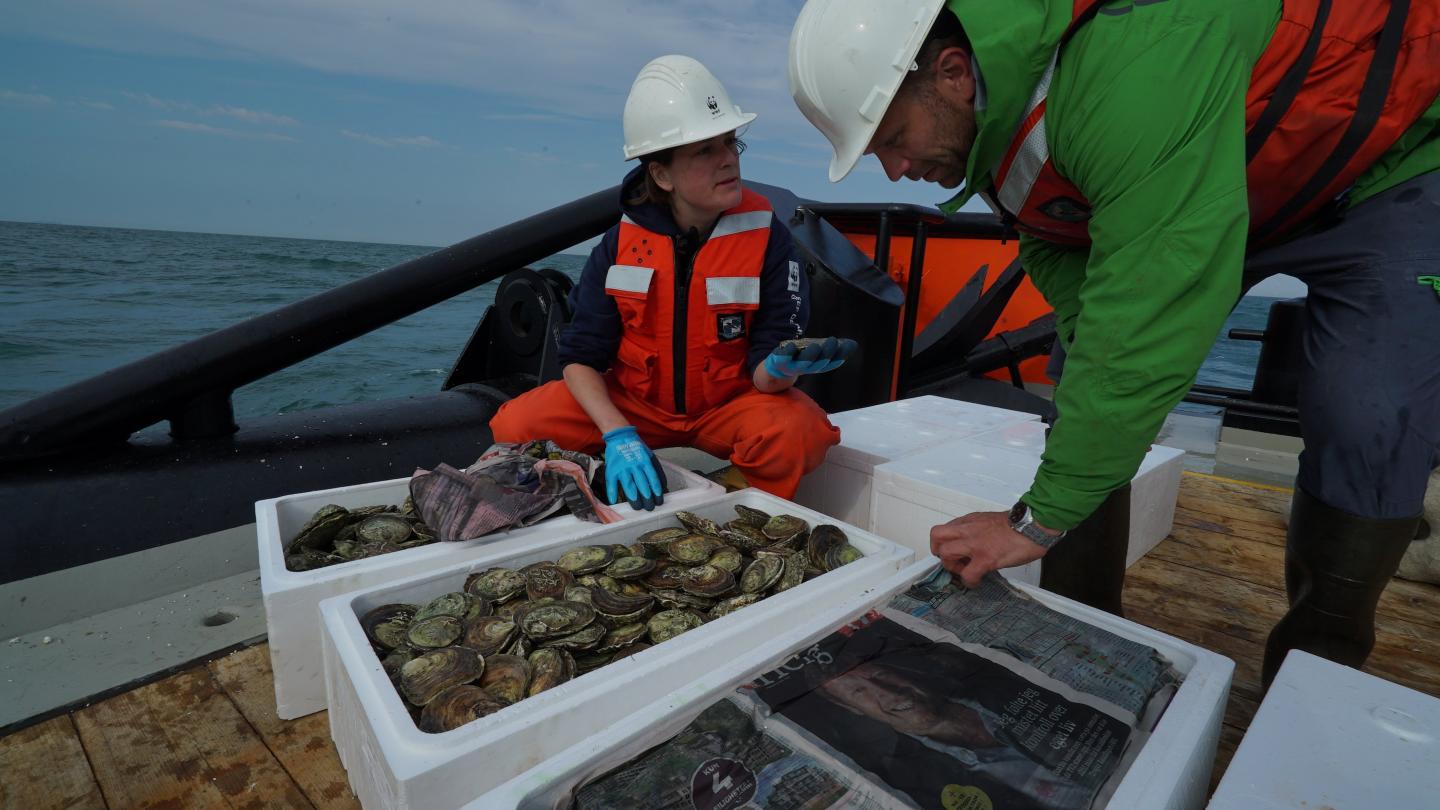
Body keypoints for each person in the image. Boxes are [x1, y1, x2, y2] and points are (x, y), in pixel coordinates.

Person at [788, 0, 1440, 686]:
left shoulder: (1132, 64)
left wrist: (1035, 522)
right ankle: (1082, 635)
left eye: (893, 138)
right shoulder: (985, 125)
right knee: (1085, 384)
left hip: (1374, 175)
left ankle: (1316, 680)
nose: (895, 170)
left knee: (1371, 414)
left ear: (952, 73)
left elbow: (1150, 303)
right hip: (1207, 180)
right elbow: (1071, 272)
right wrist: (1094, 404)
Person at [490, 55, 851, 509]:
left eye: (730, 144)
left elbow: (767, 369)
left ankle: (744, 510)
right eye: (705, 150)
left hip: (727, 406)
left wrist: (783, 367)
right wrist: (617, 434)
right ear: (661, 174)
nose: (727, 161)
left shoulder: (769, 239)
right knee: (516, 425)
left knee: (801, 431)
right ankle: (598, 475)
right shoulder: (619, 244)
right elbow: (581, 357)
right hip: (635, 407)